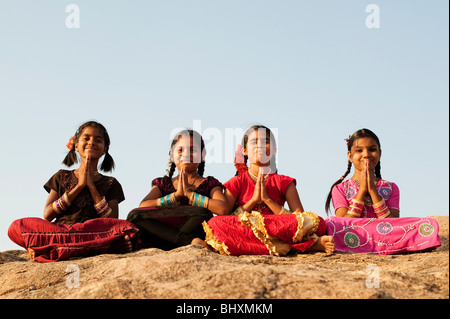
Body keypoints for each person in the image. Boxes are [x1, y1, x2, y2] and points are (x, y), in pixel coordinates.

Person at [8, 121, 139, 262]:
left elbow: (113, 220)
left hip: (93, 232)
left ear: (105, 148)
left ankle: (50, 249)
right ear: (76, 145)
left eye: (98, 140)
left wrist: (92, 187)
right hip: (61, 231)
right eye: (86, 138)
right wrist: (79, 186)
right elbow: (47, 215)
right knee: (16, 226)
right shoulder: (61, 176)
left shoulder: (111, 183)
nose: (91, 142)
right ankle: (99, 247)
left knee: (127, 227)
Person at [203, 125, 335, 256]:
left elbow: (300, 217)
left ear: (274, 150)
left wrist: (268, 201)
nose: (260, 146)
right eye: (254, 142)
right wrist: (253, 201)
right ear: (244, 151)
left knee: (318, 223)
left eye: (265, 142)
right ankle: (301, 247)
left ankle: (275, 246)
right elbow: (227, 217)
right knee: (215, 223)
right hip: (248, 230)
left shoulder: (285, 182)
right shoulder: (235, 182)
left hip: (278, 227)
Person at [325, 128, 441, 254]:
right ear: (350, 156)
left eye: (372, 150)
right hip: (356, 234)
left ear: (379, 154)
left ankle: (382, 245)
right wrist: (362, 191)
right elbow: (343, 222)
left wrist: (373, 191)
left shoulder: (391, 187)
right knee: (331, 223)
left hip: (386, 234)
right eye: (359, 150)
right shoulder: (340, 189)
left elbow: (393, 222)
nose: (366, 154)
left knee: (427, 223)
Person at [127, 129, 228, 250]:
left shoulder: (209, 183)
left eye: (192, 150)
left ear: (202, 155)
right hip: (165, 229)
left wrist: (190, 195)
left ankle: (165, 244)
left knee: (203, 213)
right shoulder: (163, 183)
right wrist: (175, 196)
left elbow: (223, 209)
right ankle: (186, 241)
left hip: (191, 226)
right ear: (171, 155)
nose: (186, 154)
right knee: (134, 216)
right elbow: (143, 205)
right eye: (181, 150)